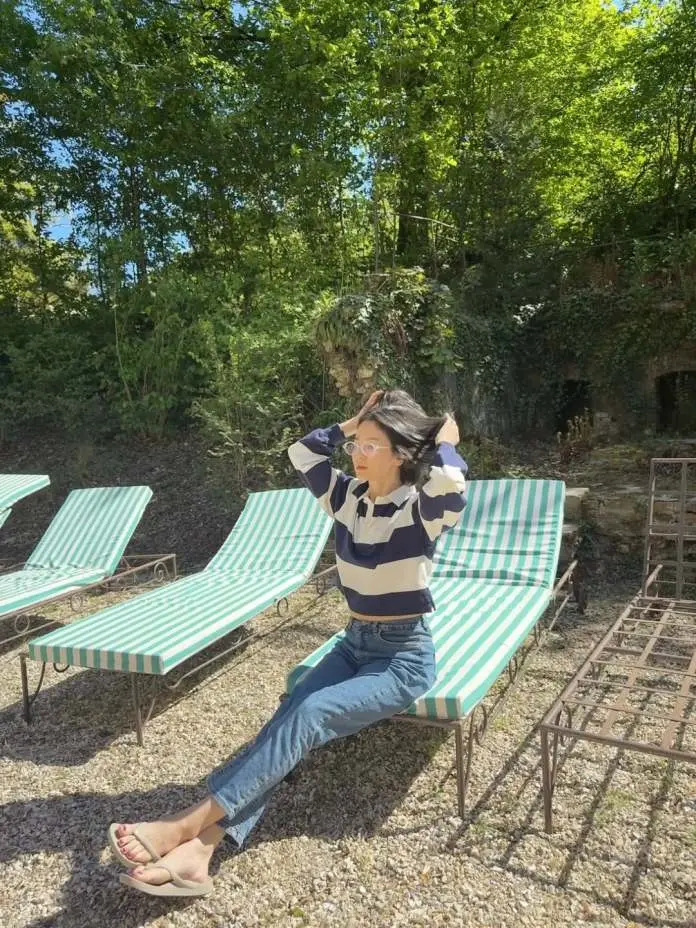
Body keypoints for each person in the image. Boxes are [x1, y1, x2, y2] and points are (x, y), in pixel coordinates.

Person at [109, 388, 468, 898]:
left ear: (401, 454)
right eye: (355, 445)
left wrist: (446, 441)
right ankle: (200, 852)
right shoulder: (348, 498)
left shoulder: (420, 510)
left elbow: (451, 484)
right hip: (353, 644)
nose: (356, 455)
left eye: (370, 446)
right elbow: (302, 452)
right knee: (289, 716)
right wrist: (354, 423)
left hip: (402, 658)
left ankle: (183, 826)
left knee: (310, 712)